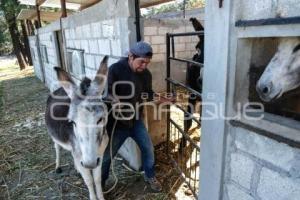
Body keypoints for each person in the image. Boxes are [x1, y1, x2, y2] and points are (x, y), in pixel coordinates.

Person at [101, 41, 172, 192]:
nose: (144, 66)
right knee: (107, 156)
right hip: (117, 124)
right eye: (141, 62)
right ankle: (100, 183)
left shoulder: (146, 74)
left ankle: (149, 176)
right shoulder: (115, 69)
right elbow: (106, 93)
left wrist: (163, 99)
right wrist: (114, 100)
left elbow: (148, 94)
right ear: (130, 56)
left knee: (148, 150)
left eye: (147, 63)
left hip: (136, 121)